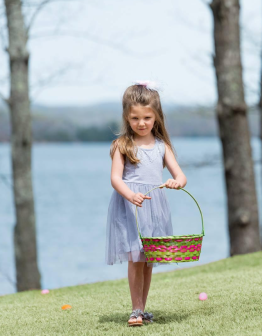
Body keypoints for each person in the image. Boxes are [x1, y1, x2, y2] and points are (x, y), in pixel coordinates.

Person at [106, 82, 187, 326]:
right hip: (131, 207)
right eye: (135, 118)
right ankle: (135, 310)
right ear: (126, 117)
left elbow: (181, 176)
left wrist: (176, 182)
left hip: (154, 206)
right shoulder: (123, 145)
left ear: (157, 117)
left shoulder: (162, 147)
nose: (141, 123)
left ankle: (143, 308)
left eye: (147, 117)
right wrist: (130, 195)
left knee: (149, 258)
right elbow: (115, 179)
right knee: (135, 256)